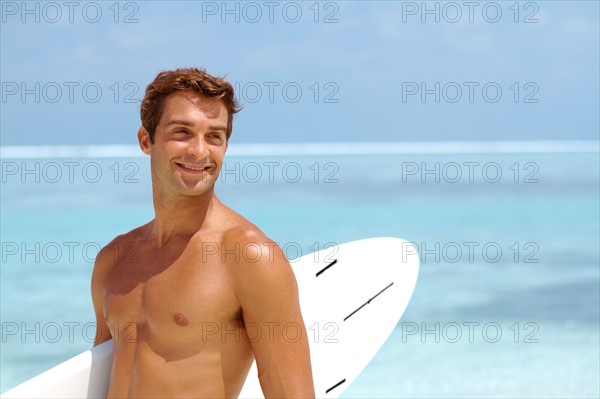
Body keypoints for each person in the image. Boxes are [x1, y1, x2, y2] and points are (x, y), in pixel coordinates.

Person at [91, 67, 315, 398]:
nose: (199, 151)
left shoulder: (249, 258)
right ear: (145, 140)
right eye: (182, 132)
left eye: (214, 136)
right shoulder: (114, 260)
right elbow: (94, 381)